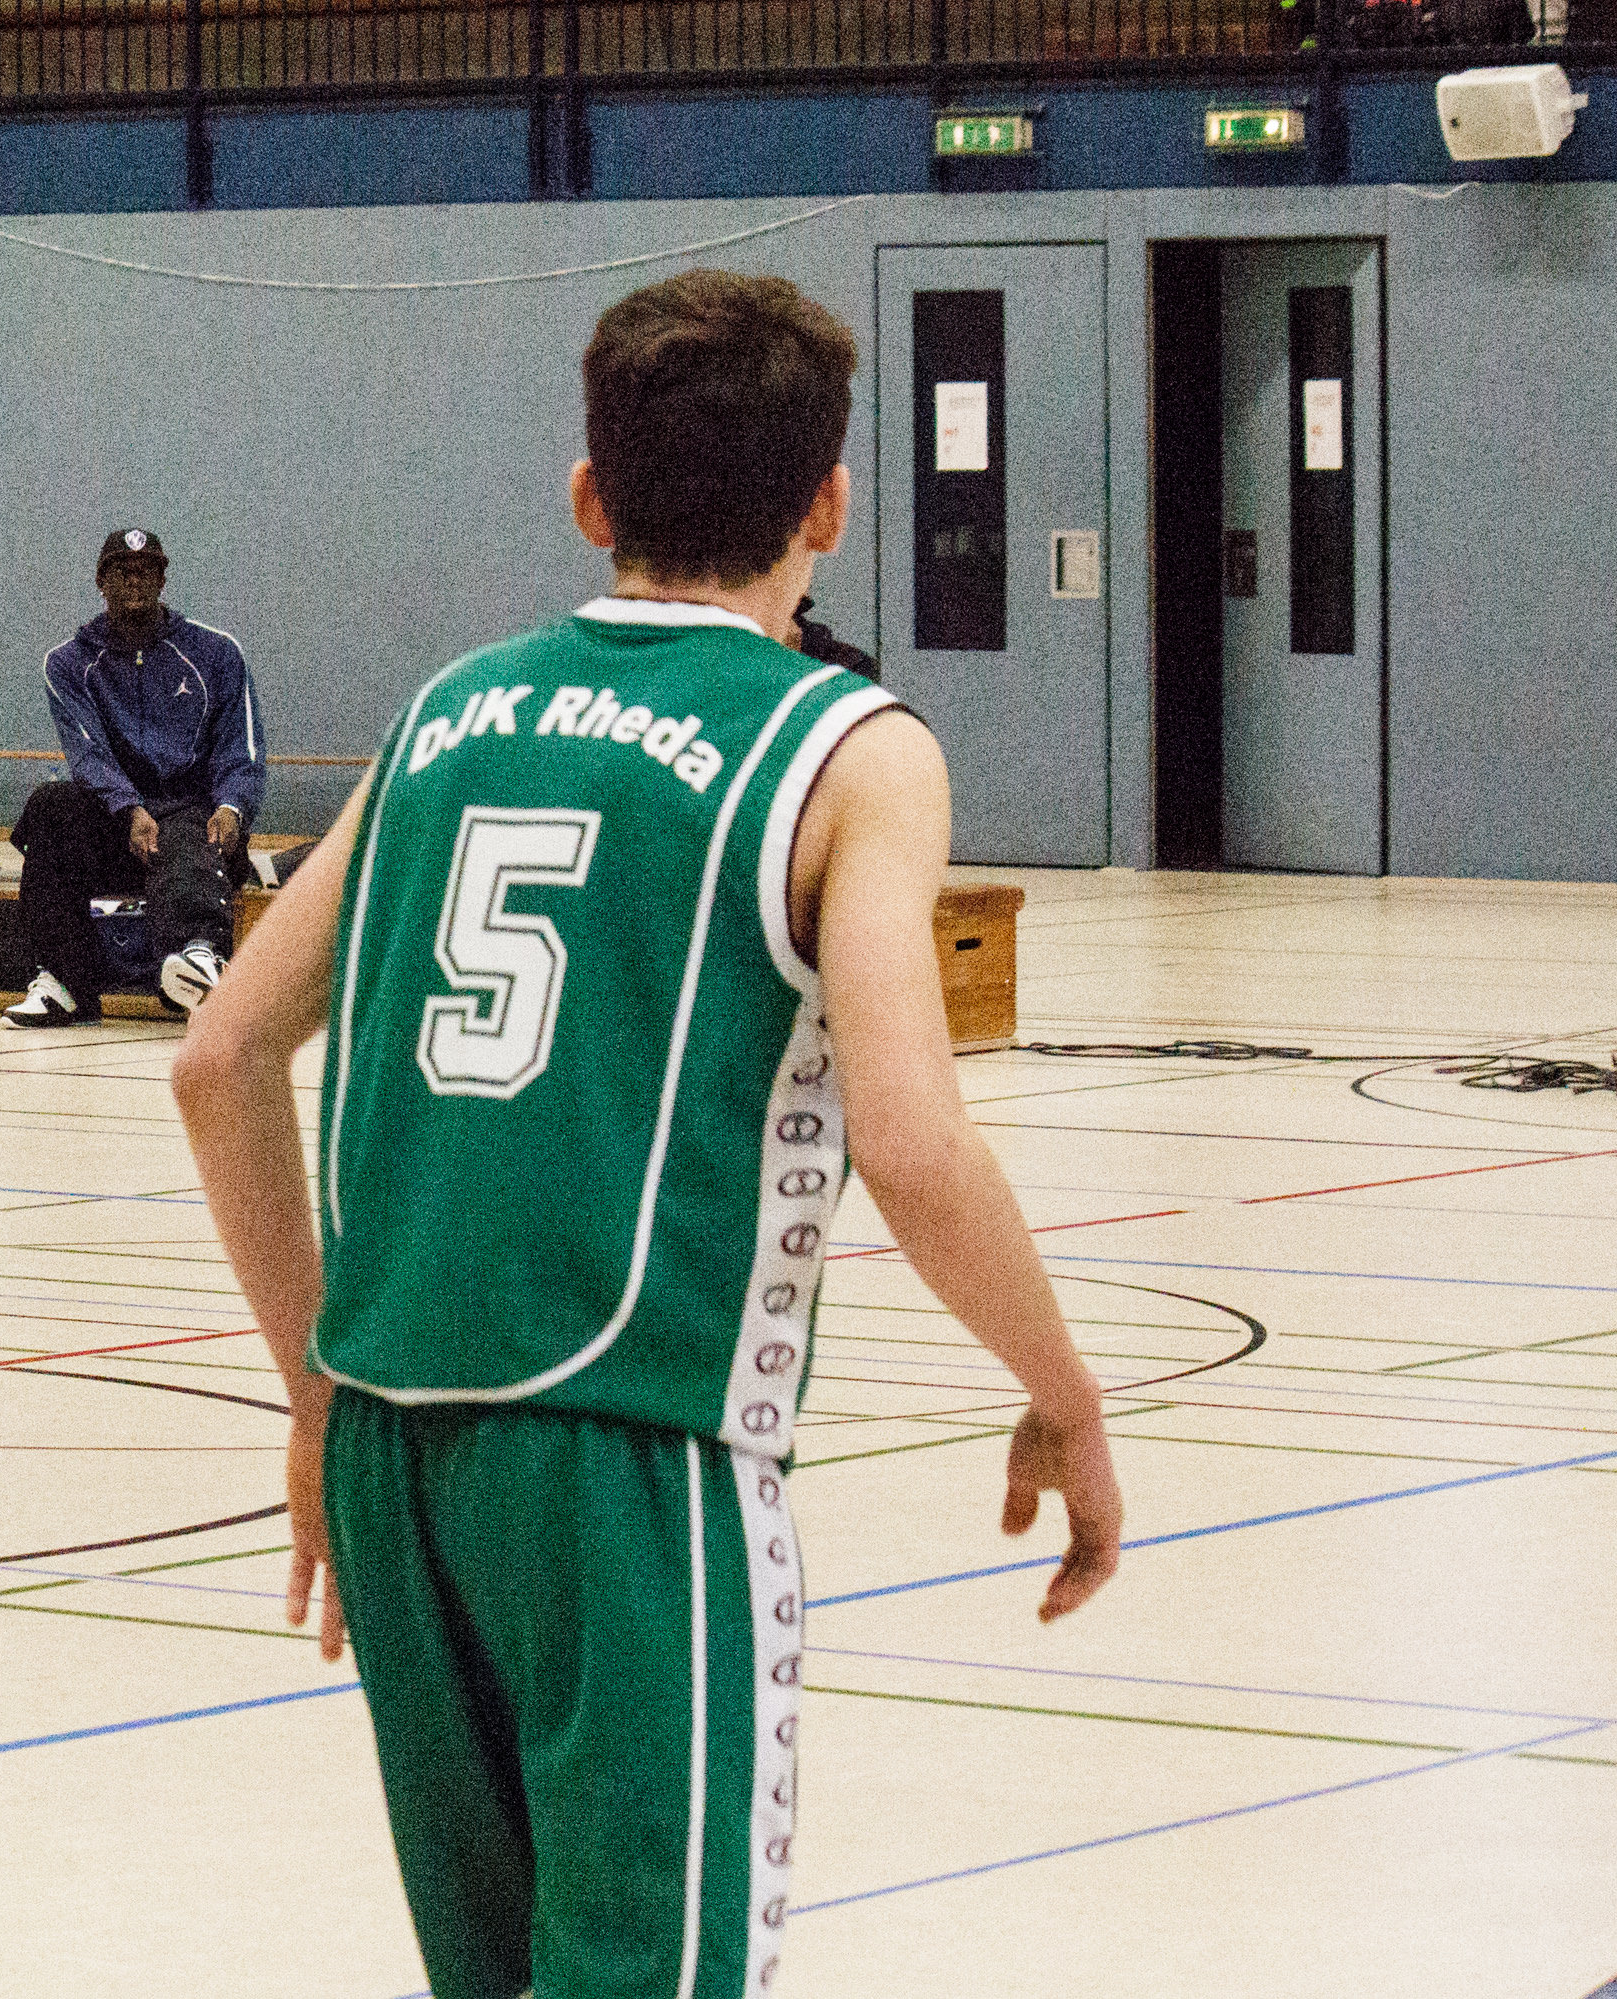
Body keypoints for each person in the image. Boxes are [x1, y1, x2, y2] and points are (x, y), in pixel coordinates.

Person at [169, 270, 1124, 1998]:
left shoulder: (445, 710)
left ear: (585, 495)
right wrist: (1063, 1390)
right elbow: (912, 1143)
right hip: (630, 1448)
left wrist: (313, 1392)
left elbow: (218, 1055)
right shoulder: (847, 747)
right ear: (827, 505)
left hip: (390, 1440)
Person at [6, 529, 263, 1028]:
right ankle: (66, 986)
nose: (135, 580)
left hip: (196, 816)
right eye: (122, 571)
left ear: (163, 580)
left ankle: (198, 957)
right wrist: (129, 808)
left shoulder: (217, 653)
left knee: (189, 830)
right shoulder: (68, 663)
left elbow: (243, 748)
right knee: (50, 807)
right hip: (118, 822)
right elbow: (88, 754)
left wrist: (233, 806)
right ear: (100, 582)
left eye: (146, 571)